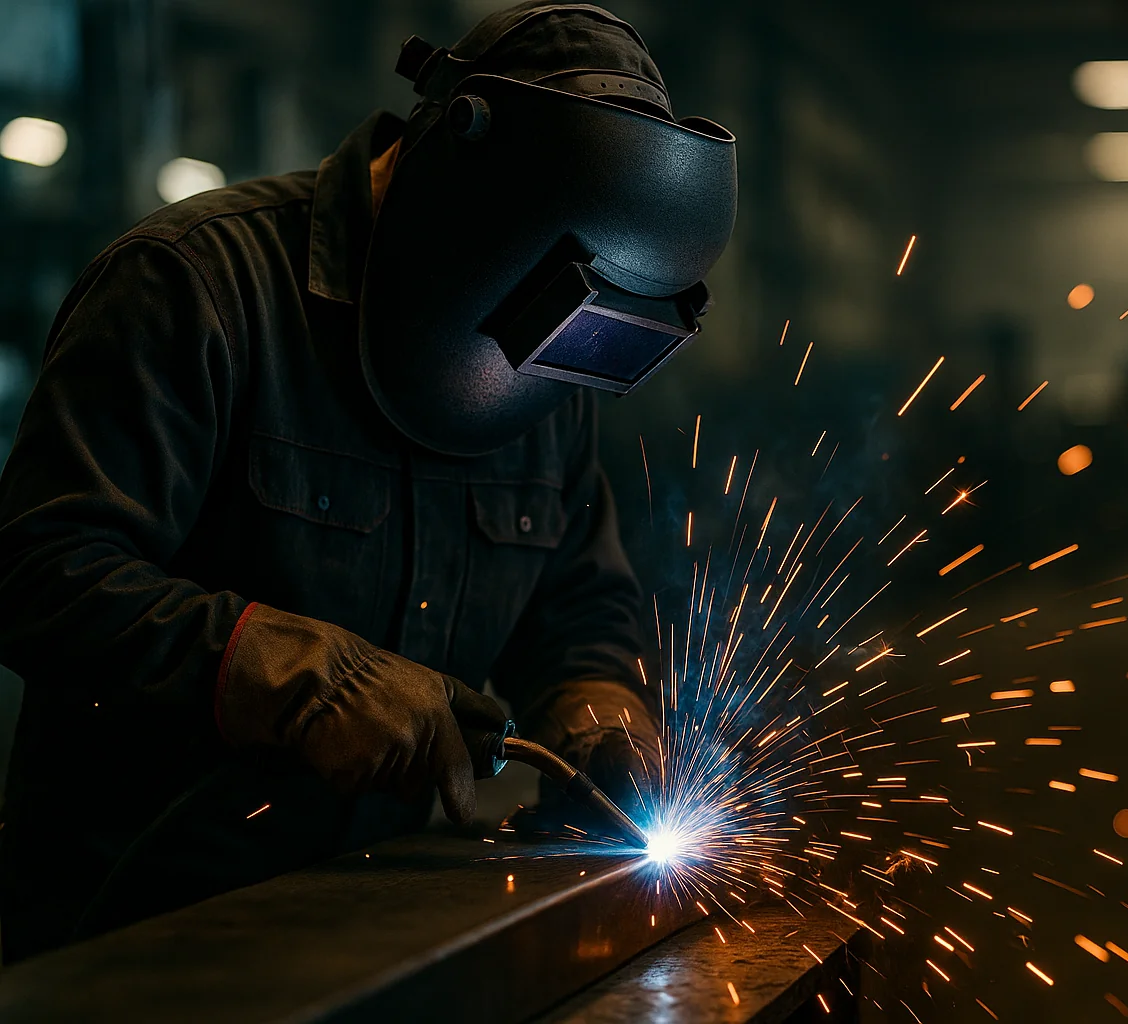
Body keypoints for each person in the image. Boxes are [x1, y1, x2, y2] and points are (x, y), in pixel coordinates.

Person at [0, 2, 736, 962]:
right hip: (136, 933)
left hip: (378, 925)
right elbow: (35, 571)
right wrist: (280, 672)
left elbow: (574, 598)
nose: (547, 369)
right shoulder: (195, 287)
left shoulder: (561, 332)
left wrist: (598, 703)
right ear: (461, 206)